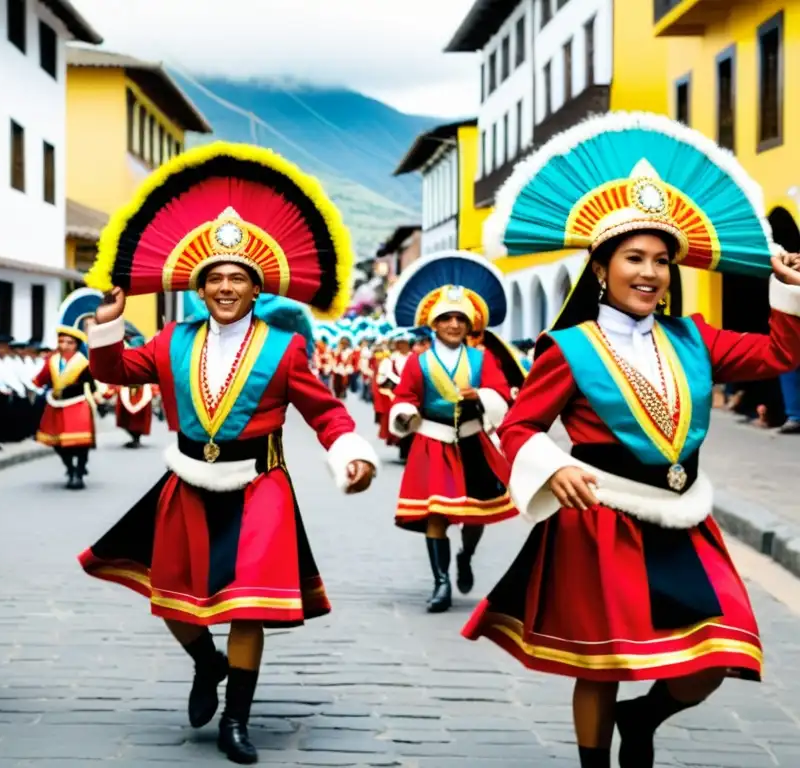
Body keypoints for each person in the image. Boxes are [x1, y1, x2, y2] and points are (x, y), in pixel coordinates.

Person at [460, 111, 800, 768]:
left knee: (720, 652)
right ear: (602, 268)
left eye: (661, 261)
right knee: (603, 662)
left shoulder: (695, 336)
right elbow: (519, 425)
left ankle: (642, 719)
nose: (650, 272)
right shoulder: (567, 349)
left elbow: (781, 353)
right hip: (599, 520)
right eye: (635, 259)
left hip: (684, 520)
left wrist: (787, 288)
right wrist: (549, 466)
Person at [77, 142, 378, 765]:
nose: (224, 286)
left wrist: (350, 449)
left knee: (248, 605)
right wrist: (106, 324)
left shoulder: (285, 349)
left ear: (257, 286)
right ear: (197, 285)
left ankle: (236, 720)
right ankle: (204, 661)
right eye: (213, 277)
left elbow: (325, 411)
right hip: (186, 480)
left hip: (260, 482)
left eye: (236, 277)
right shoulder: (169, 340)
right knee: (171, 600)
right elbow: (118, 370)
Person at [385, 253, 517, 612]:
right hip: (432, 443)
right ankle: (440, 582)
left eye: (460, 318)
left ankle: (466, 555)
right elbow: (405, 396)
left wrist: (484, 396)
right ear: (434, 324)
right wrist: (406, 413)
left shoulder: (482, 359)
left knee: (475, 515)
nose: (454, 324)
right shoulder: (418, 362)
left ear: (470, 324)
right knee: (437, 513)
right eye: (447, 318)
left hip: (473, 442)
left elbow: (501, 392)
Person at [33, 289, 105, 490]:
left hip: (78, 403)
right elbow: (41, 379)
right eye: (61, 341)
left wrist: (98, 395)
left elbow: (91, 383)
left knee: (79, 442)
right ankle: (70, 467)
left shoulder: (83, 363)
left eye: (69, 342)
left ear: (76, 345)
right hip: (56, 404)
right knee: (58, 444)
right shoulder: (52, 361)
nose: (64, 345)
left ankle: (78, 473)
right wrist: (35, 385)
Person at [108, 336, 154, 447]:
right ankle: (134, 437)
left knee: (139, 418)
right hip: (127, 390)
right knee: (125, 418)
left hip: (141, 391)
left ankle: (136, 439)